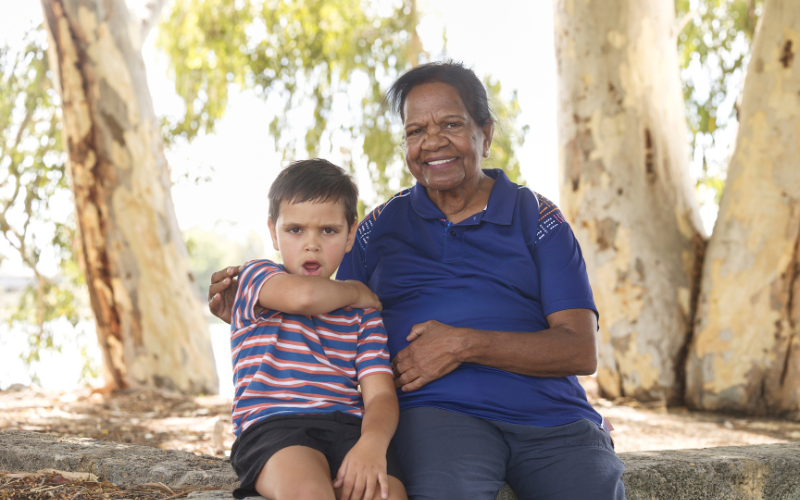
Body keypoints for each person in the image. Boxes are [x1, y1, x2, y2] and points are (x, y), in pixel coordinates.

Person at [210, 62, 626, 500]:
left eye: (451, 124)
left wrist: (464, 343)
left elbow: (581, 349)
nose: (432, 142)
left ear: (486, 134)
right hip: (439, 416)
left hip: (552, 417)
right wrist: (251, 315)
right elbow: (325, 317)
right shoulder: (375, 230)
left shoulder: (538, 218)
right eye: (415, 131)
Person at [227, 159, 407, 500]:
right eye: (295, 230)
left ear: (351, 233)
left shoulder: (362, 317)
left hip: (350, 429)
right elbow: (306, 297)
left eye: (328, 230)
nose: (312, 244)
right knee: (310, 493)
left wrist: (372, 444)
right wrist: (355, 290)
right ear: (273, 232)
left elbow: (381, 395)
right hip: (275, 426)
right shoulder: (256, 278)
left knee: (388, 495)